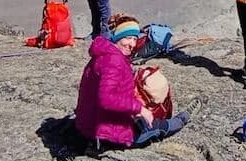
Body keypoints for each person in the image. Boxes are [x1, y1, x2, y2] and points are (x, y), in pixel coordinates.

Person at [75, 18, 189, 149]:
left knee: (142, 119)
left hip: (91, 123)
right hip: (104, 135)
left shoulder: (104, 53)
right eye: (128, 38)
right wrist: (139, 109)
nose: (132, 44)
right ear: (117, 37)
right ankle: (179, 121)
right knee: (154, 128)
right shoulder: (113, 61)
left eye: (135, 39)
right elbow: (106, 98)